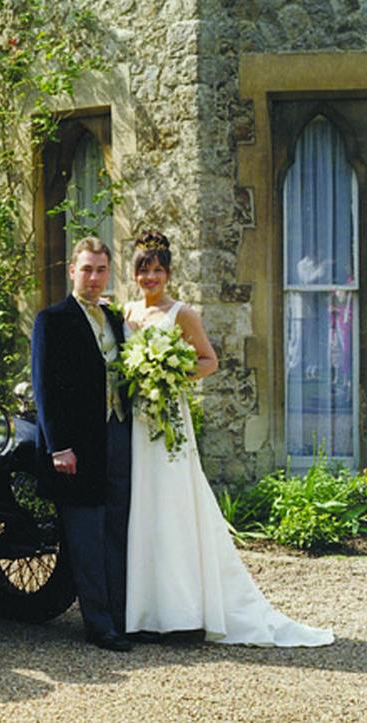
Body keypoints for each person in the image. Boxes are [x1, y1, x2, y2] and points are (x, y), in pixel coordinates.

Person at [123, 231, 334, 647]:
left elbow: (208, 361)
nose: (150, 277)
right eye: (143, 270)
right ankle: (144, 612)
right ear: (134, 274)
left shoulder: (183, 313)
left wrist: (164, 374)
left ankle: (183, 613)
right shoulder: (126, 314)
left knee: (173, 507)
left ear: (168, 273)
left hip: (168, 421)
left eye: (157, 270)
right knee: (142, 509)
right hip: (136, 423)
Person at [32, 236, 133, 652]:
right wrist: (58, 447)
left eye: (101, 270)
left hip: (118, 433)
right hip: (76, 446)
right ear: (72, 270)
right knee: (86, 535)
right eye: (87, 269)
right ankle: (98, 625)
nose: (94, 278)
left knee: (117, 530)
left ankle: (122, 617)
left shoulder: (114, 319)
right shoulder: (51, 320)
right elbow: (45, 389)